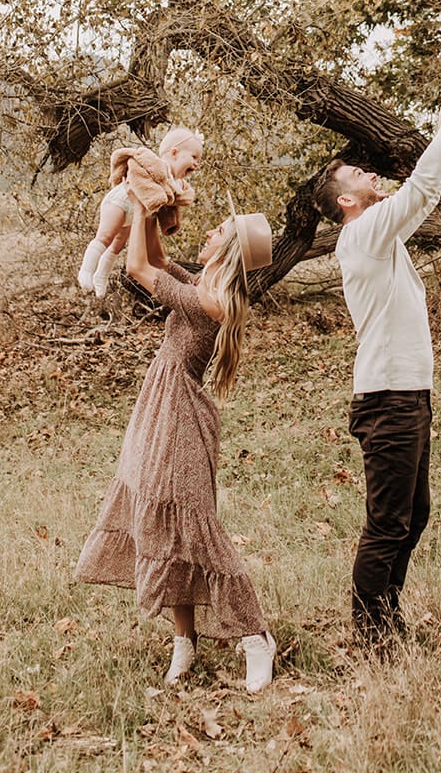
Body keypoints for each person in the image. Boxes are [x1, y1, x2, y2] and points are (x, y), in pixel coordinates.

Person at [75, 169, 277, 694]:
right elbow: (160, 261)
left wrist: (142, 202)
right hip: (160, 404)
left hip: (182, 412)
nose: (206, 233)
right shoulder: (201, 283)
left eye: (216, 231)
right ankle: (183, 641)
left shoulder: (214, 300)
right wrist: (146, 196)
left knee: (196, 527)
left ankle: (255, 636)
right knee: (165, 526)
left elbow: (140, 267)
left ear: (227, 250)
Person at [312, 68, 441, 648]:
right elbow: (422, 191)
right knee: (388, 524)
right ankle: (371, 637)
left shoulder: (382, 240)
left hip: (406, 394)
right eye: (360, 174)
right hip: (388, 399)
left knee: (414, 515)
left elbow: (413, 206)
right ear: (346, 200)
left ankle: (386, 619)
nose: (371, 174)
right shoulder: (360, 236)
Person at [77, 127, 203, 298]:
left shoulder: (176, 182)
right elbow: (136, 164)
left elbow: (178, 198)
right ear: (174, 153)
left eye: (199, 160)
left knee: (118, 245)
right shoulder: (157, 165)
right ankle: (86, 270)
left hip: (136, 213)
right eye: (193, 157)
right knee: (106, 236)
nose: (197, 163)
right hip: (120, 201)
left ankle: (101, 276)